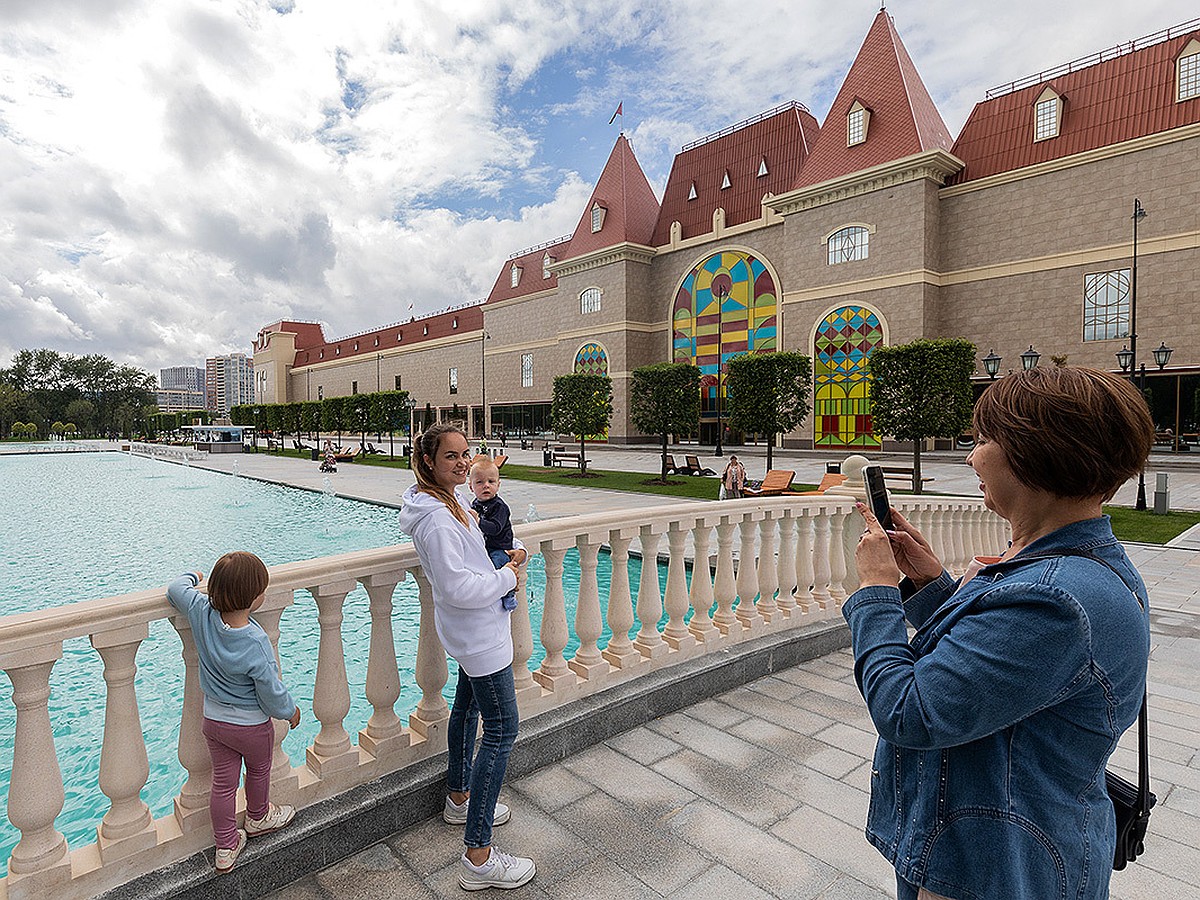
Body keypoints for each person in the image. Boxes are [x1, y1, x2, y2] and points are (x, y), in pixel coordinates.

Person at [844, 366, 1154, 900]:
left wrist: (876, 590)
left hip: (993, 865)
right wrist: (929, 583)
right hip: (999, 843)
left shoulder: (1054, 598)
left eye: (984, 439)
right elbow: (1004, 668)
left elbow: (909, 711)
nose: (971, 457)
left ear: (1038, 451)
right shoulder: (1077, 564)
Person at [397, 424, 535, 891]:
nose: (461, 462)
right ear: (430, 461)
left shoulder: (447, 504)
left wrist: (500, 557)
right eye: (450, 456)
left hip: (473, 632)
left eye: (465, 453)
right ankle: (479, 857)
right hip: (479, 634)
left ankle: (460, 798)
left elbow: (468, 562)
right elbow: (456, 587)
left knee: (467, 708)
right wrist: (508, 576)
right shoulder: (437, 517)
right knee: (501, 731)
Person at [166, 552, 301, 874]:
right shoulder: (255, 641)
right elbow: (270, 690)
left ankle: (226, 847)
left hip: (214, 722)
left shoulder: (201, 611)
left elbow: (174, 589)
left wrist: (192, 576)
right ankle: (258, 817)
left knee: (223, 785)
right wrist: (290, 711)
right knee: (257, 771)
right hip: (252, 727)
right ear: (255, 599)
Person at [468, 456, 518, 611]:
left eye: (491, 482)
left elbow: (496, 528)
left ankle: (509, 594)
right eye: (479, 482)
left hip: (500, 548)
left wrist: (478, 522)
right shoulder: (474, 504)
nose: (486, 486)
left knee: (498, 564)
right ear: (471, 487)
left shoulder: (499, 507)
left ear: (498, 485)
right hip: (484, 547)